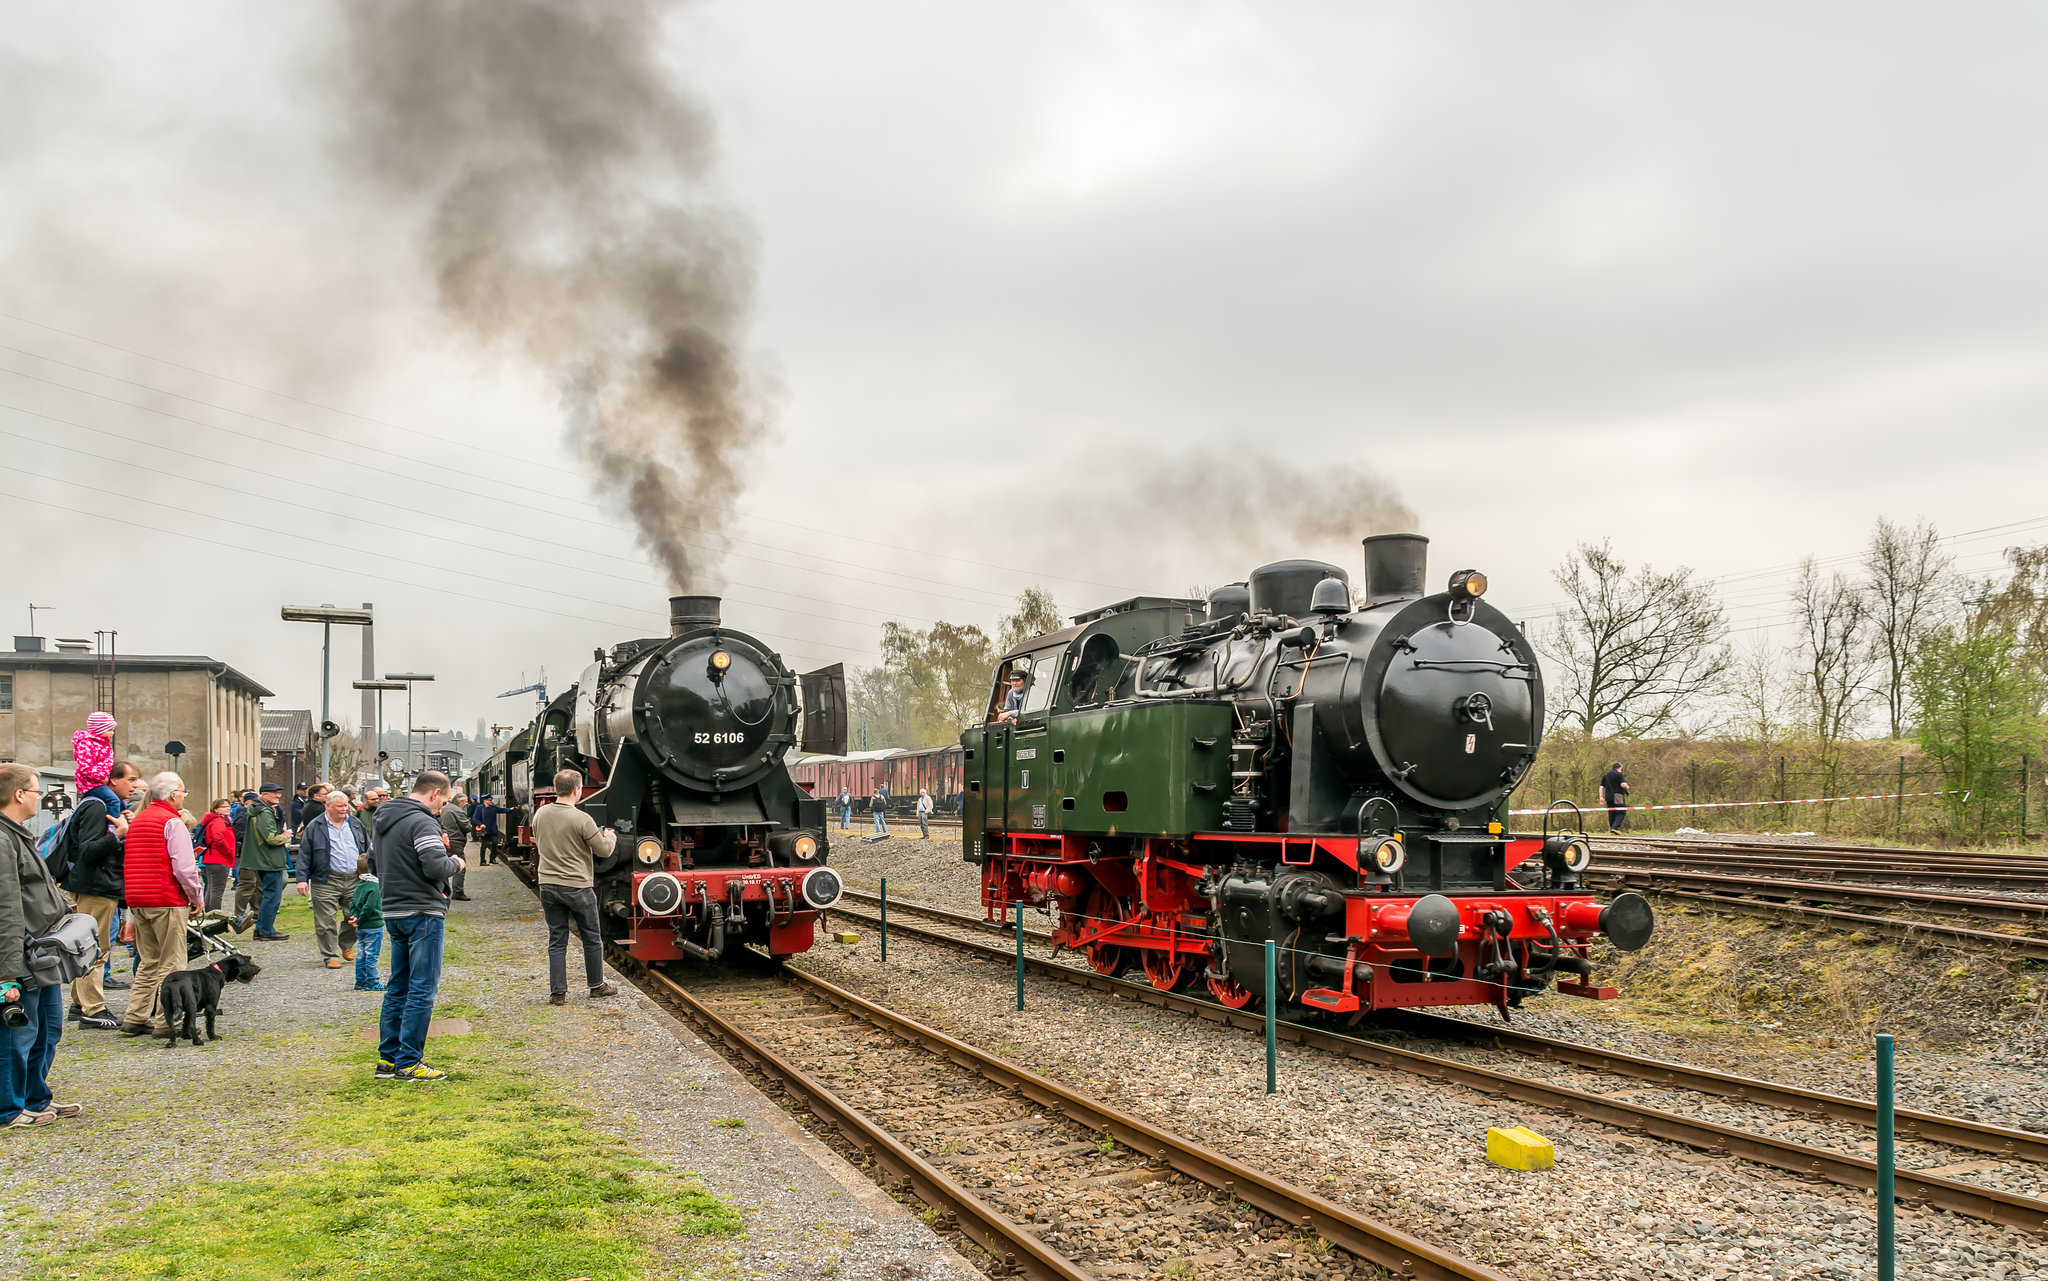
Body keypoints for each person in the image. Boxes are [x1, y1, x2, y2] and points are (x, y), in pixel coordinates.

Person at [0, 763, 82, 1129]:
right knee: (18, 1034)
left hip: (41, 953)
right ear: (19, 795)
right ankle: (9, 1108)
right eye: (37, 791)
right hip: (21, 957)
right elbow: (6, 908)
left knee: (48, 1029)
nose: (42, 798)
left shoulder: (17, 834)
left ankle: (35, 1097)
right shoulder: (2, 840)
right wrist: (8, 974)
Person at [375, 770, 464, 1082]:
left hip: (393, 910)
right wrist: (456, 861)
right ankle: (410, 1062)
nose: (442, 808)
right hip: (423, 912)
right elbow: (435, 866)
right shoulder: (423, 820)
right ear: (435, 793)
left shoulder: (384, 819)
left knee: (397, 985)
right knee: (422, 988)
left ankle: (388, 1059)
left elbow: (374, 862)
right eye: (444, 801)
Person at [119, 773, 203, 1038]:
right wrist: (196, 897)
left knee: (148, 961)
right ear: (173, 794)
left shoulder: (140, 819)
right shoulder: (172, 822)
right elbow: (184, 867)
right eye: (183, 792)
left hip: (139, 898)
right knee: (173, 963)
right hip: (166, 899)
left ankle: (135, 1016)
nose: (184, 797)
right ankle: (168, 1022)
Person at [532, 768, 620, 1007]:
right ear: (577, 790)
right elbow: (604, 849)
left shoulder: (540, 814)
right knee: (591, 937)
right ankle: (596, 986)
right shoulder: (582, 818)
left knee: (557, 939)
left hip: (548, 884)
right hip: (577, 886)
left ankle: (558, 993)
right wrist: (610, 835)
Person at [296, 789, 366, 970]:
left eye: (345, 805)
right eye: (340, 806)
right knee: (325, 920)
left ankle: (346, 943)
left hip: (353, 878)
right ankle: (329, 955)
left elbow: (367, 848)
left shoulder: (356, 823)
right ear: (327, 806)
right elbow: (304, 853)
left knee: (356, 915)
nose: (344, 809)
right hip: (325, 879)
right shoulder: (315, 826)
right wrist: (301, 879)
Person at [235, 784, 291, 940]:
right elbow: (270, 838)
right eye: (274, 793)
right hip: (269, 859)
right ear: (264, 795)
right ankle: (266, 930)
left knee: (267, 894)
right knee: (272, 896)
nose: (278, 796)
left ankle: (261, 928)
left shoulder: (258, 810)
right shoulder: (264, 812)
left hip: (262, 858)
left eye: (278, 793)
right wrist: (286, 836)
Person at [346, 855, 383, 992]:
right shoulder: (375, 886)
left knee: (361, 954)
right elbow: (370, 907)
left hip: (360, 928)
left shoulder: (360, 885)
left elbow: (354, 904)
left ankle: (360, 980)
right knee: (372, 955)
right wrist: (361, 919)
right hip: (373, 925)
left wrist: (355, 917)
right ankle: (373, 981)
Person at [195, 797, 237, 912]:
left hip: (213, 858)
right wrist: (228, 851)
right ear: (216, 809)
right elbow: (218, 838)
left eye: (228, 805)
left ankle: (210, 913)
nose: (228, 808)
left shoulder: (218, 820)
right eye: (224, 806)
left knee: (212, 889)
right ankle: (215, 914)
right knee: (217, 890)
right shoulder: (218, 821)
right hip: (219, 859)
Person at [70, 712, 117, 795]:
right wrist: (102, 778)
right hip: (91, 784)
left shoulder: (102, 744)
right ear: (99, 730)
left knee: (119, 800)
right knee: (113, 800)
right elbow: (85, 768)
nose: (112, 733)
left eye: (113, 730)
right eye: (109, 730)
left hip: (101, 782)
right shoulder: (87, 744)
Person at [438, 792, 471, 899]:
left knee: (443, 866)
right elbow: (467, 827)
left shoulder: (442, 808)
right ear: (460, 802)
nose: (465, 804)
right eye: (465, 802)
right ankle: (458, 892)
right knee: (460, 867)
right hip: (455, 841)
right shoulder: (457, 811)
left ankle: (444, 892)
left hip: (442, 840)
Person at [1600, 762, 1630, 833]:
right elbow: (1623, 785)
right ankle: (1615, 828)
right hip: (1618, 797)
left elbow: (1601, 787)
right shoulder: (1619, 775)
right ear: (1619, 768)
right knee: (1621, 812)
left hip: (1608, 797)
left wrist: (1601, 797)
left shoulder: (1606, 775)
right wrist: (1627, 786)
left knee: (1611, 813)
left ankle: (1612, 829)